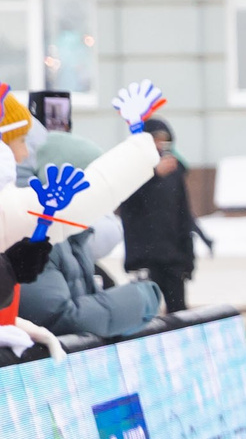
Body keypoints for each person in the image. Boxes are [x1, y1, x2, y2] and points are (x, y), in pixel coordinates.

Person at [9, 83, 168, 341]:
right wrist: (143, 297)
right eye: (19, 143)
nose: (24, 153)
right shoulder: (30, 228)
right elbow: (58, 318)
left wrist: (139, 139)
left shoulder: (65, 234)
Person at [115, 117, 213, 315]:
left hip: (173, 258)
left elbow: (184, 215)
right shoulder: (133, 171)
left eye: (164, 141)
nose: (160, 145)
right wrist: (153, 174)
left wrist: (188, 259)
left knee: (178, 314)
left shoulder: (175, 173)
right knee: (146, 315)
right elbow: (127, 204)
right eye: (155, 140)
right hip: (145, 258)